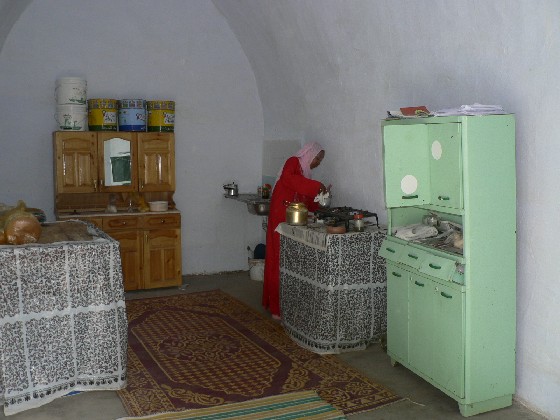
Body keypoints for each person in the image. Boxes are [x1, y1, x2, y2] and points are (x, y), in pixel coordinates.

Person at [262, 142, 327, 320]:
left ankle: (289, 304)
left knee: (290, 260)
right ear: (309, 154)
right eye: (317, 159)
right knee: (279, 257)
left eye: (320, 161)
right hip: (280, 216)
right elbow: (288, 180)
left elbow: (307, 200)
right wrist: (316, 186)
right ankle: (276, 307)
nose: (318, 163)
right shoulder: (293, 162)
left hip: (294, 219)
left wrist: (321, 196)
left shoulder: (306, 174)